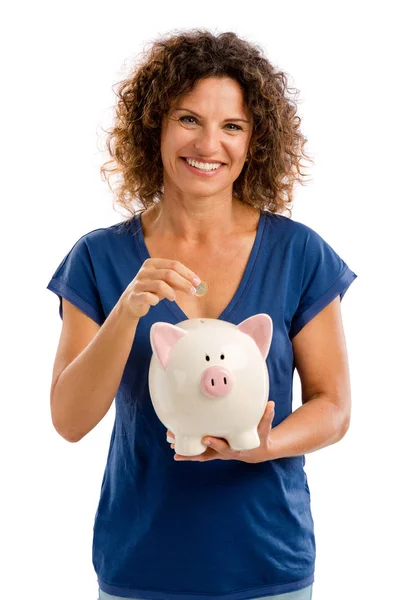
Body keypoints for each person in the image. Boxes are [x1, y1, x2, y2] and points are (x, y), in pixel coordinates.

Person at [46, 29, 357, 600]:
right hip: (140, 567)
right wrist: (128, 309)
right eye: (188, 119)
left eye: (232, 126)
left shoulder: (300, 253)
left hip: (269, 567)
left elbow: (334, 407)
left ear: (254, 141)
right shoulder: (99, 258)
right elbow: (69, 420)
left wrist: (263, 446)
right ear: (155, 128)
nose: (209, 143)